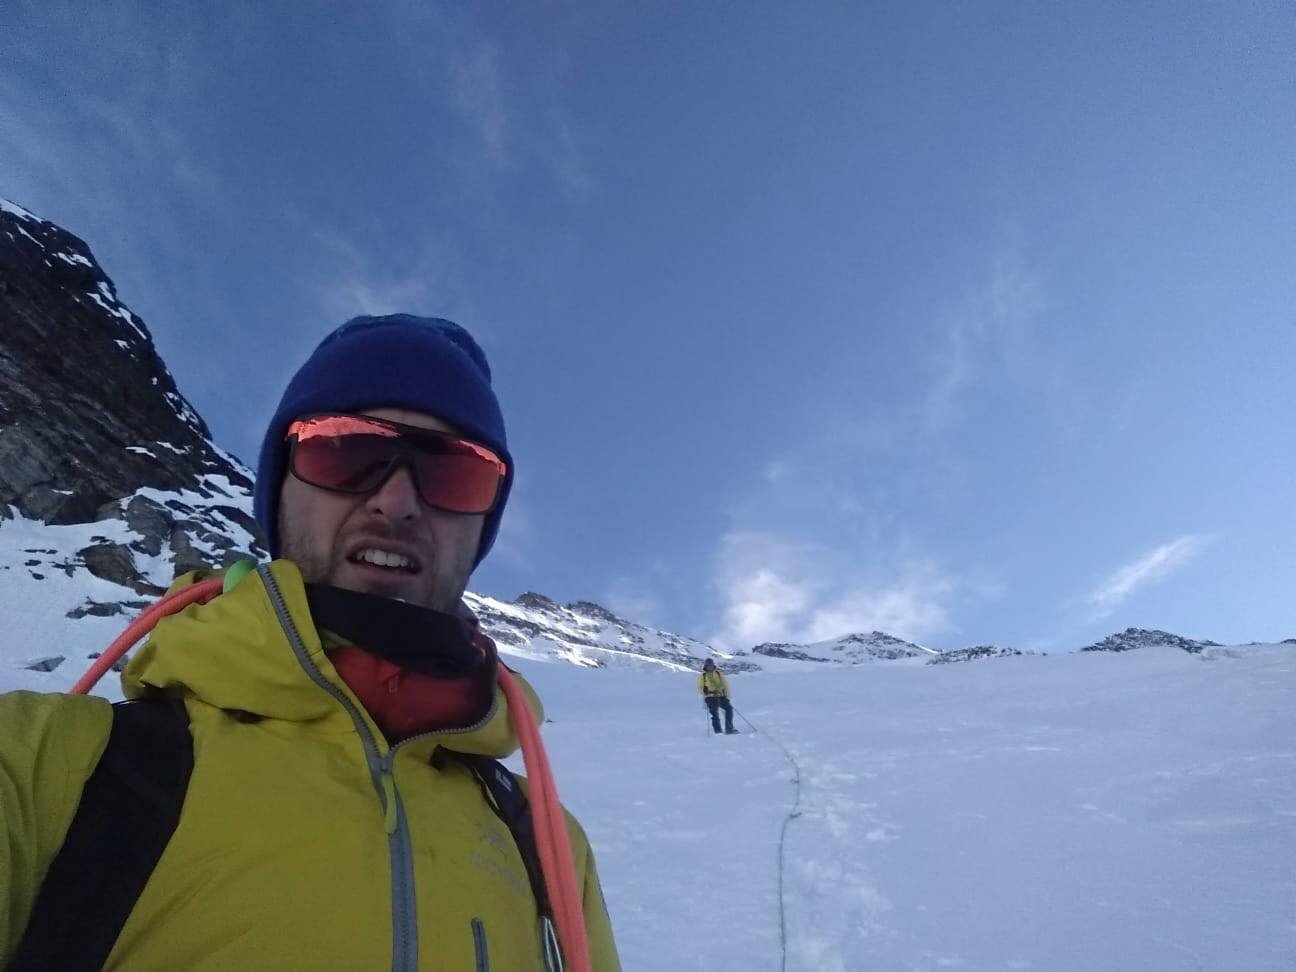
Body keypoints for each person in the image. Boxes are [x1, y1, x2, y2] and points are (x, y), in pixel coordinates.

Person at [0, 315, 620, 970]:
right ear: (280, 493)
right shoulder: (55, 768)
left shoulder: (549, 847)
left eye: (455, 474)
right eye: (344, 450)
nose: (397, 502)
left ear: (482, 524)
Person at [698, 658, 738, 734]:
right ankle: (718, 732)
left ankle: (729, 729)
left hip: (721, 696)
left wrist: (727, 696)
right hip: (710, 697)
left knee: (729, 709)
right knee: (715, 714)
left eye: (711, 665)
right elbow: (700, 687)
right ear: (705, 666)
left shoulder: (718, 673)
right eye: (708, 665)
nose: (710, 666)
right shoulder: (703, 675)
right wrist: (705, 691)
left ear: (713, 665)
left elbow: (725, 685)